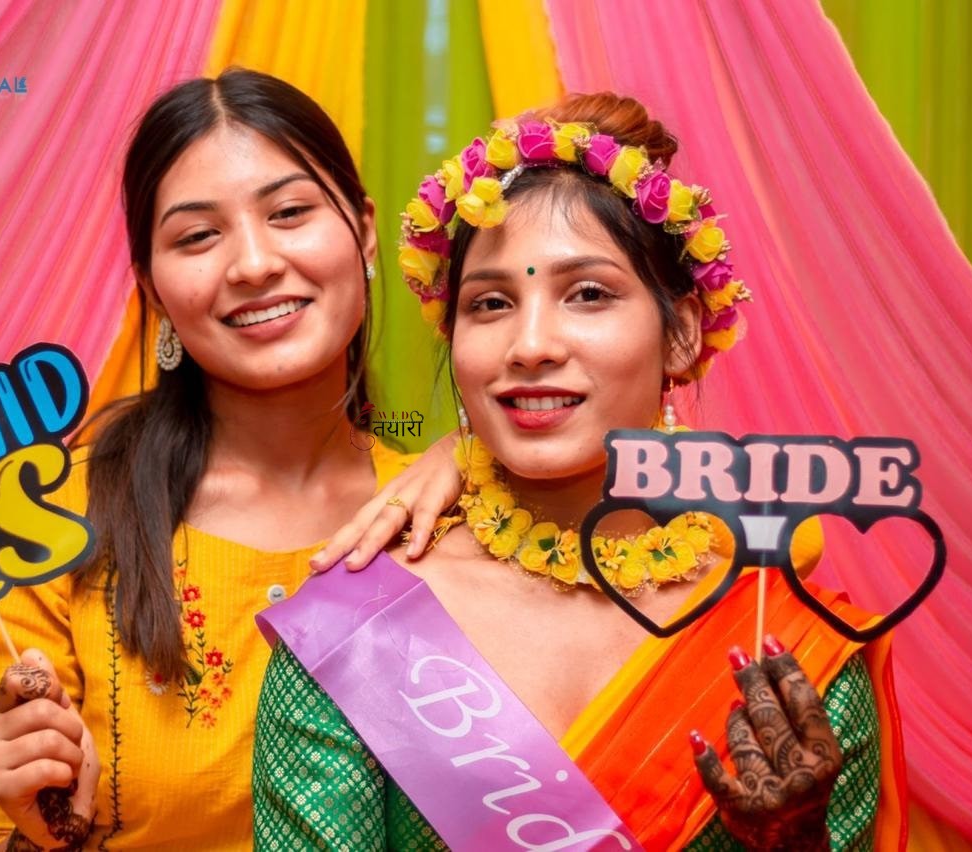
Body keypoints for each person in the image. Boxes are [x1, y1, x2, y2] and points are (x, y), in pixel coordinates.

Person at [252, 92, 906, 850]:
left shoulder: (787, 652)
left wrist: (796, 845)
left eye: (588, 294)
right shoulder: (360, 632)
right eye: (491, 303)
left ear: (682, 332)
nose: (530, 345)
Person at [0, 69, 464, 851]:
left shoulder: (452, 514)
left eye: (289, 213)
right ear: (152, 288)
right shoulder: (50, 520)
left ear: (363, 232)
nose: (253, 263)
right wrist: (38, 832)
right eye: (197, 236)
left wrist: (480, 457)